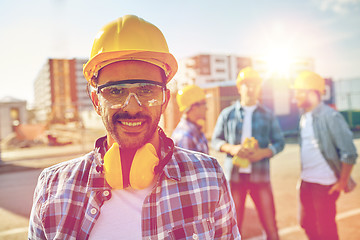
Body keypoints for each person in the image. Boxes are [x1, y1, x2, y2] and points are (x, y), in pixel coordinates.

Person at [28, 15, 240, 239]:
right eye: (116, 91)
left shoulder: (208, 177)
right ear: (96, 102)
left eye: (146, 90)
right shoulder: (52, 190)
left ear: (165, 100)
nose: (132, 107)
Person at [212, 67, 285, 240]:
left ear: (259, 87)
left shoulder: (268, 115)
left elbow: (279, 142)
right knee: (232, 227)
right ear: (239, 87)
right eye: (246, 85)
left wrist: (264, 152)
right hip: (235, 179)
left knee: (271, 226)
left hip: (261, 178)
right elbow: (216, 141)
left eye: (254, 85)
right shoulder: (227, 114)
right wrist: (232, 149)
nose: (250, 89)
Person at [292, 71, 358, 240]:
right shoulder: (304, 117)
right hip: (306, 181)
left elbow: (349, 152)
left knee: (326, 231)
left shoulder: (331, 116)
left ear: (312, 92)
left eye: (299, 91)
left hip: (325, 185)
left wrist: (343, 181)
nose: (295, 96)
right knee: (306, 223)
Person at [171, 85, 209, 154]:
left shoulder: (195, 130)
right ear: (194, 107)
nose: (206, 108)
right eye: (204, 103)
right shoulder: (185, 136)